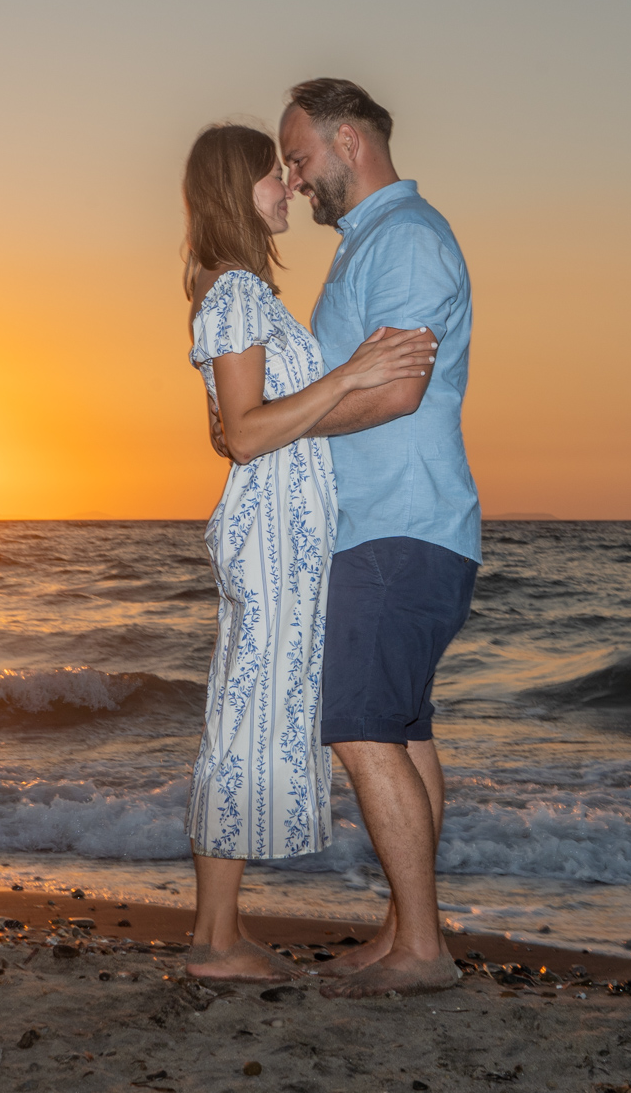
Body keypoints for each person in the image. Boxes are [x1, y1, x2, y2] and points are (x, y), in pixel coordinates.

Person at [180, 123, 438, 982]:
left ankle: (219, 933)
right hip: (272, 533)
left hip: (287, 531)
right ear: (232, 189)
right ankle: (213, 942)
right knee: (244, 721)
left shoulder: (242, 293)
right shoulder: (236, 296)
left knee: (245, 716)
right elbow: (249, 435)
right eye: (271, 176)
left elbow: (230, 426)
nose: (287, 186)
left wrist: (335, 381)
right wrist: (353, 375)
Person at [280, 78, 483, 999]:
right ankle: (411, 932)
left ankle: (422, 954)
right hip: (396, 526)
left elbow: (396, 388)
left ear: (348, 140)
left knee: (362, 731)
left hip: (396, 528)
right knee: (402, 733)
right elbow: (370, 377)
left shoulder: (403, 240)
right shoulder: (377, 243)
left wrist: (276, 425)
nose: (295, 177)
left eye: (300, 157)